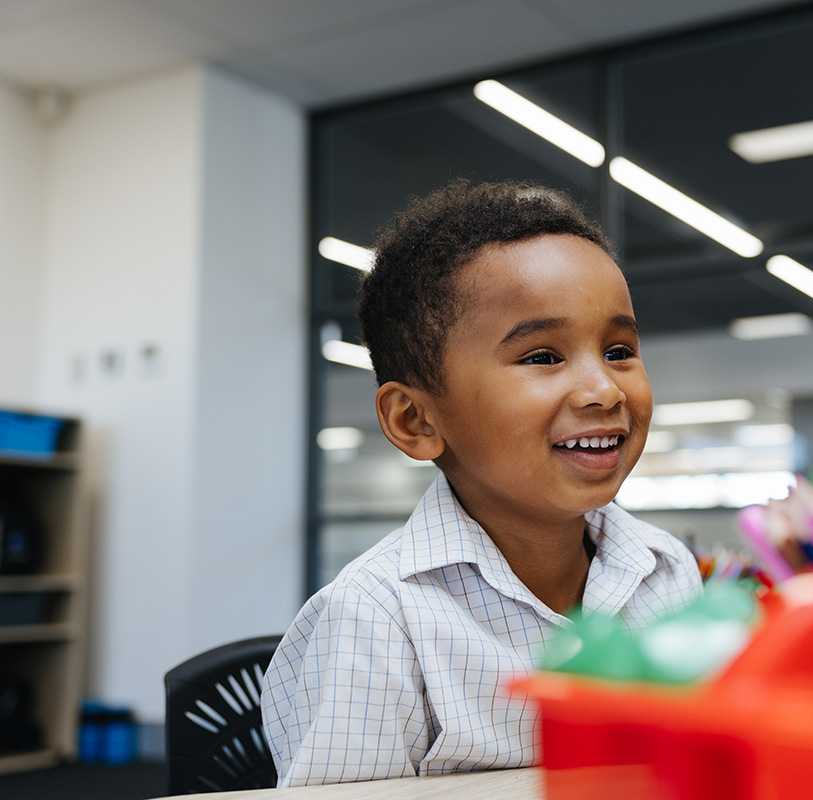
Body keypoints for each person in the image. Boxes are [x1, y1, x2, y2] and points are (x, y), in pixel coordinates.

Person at [261, 180, 701, 786]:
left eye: (619, 349)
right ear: (416, 421)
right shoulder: (378, 618)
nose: (604, 389)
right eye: (543, 357)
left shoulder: (665, 570)